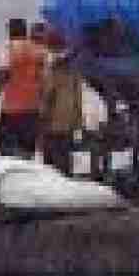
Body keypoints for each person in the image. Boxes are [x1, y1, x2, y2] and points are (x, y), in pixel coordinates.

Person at [0, 18, 46, 158]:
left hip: (12, 110)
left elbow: (2, 75)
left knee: (5, 150)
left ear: (11, 31)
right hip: (33, 110)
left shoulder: (10, 48)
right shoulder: (39, 50)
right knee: (27, 152)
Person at [39, 31, 83, 176]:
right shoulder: (74, 68)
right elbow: (78, 96)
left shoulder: (52, 67)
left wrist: (42, 117)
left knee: (50, 163)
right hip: (68, 121)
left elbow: (49, 94)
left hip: (53, 122)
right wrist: (78, 121)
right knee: (65, 159)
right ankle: (66, 184)